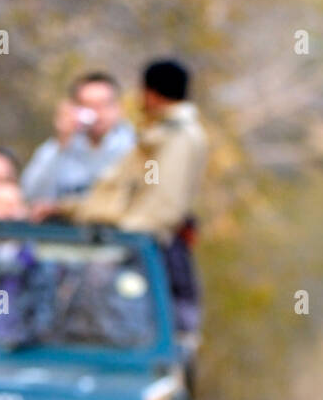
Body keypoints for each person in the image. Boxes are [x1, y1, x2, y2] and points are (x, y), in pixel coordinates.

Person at [37, 59, 208, 333]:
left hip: (145, 253)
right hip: (120, 246)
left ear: (151, 93)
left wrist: (120, 241)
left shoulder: (178, 137)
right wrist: (65, 208)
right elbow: (114, 196)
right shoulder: (157, 135)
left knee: (135, 326)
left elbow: (162, 207)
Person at [20, 72, 135, 202]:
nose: (97, 113)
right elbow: (30, 195)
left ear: (118, 108)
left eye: (104, 104)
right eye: (89, 105)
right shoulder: (57, 148)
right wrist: (61, 143)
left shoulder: (135, 149)